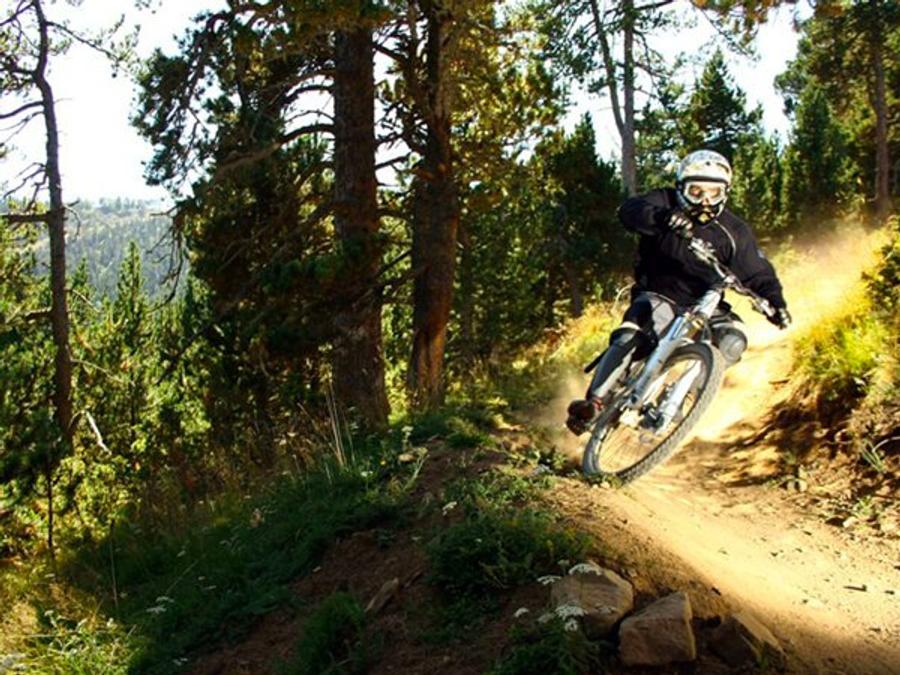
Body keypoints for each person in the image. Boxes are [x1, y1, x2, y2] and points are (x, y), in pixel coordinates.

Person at [566, 149, 791, 435]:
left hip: (706, 302)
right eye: (696, 192)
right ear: (681, 188)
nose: (705, 200)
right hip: (658, 294)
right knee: (632, 333)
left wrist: (776, 302)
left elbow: (757, 270)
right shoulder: (664, 201)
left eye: (714, 192)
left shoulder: (734, 231)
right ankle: (594, 404)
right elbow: (630, 211)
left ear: (726, 193)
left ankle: (682, 397)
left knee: (733, 341)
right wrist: (663, 218)